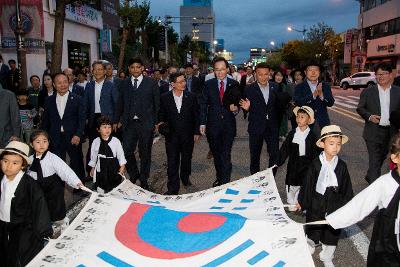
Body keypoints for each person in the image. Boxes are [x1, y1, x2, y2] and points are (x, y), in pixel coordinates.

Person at [325, 133, 400, 266]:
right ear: (394, 157)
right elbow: (359, 205)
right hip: (388, 243)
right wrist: (332, 220)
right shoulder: (385, 183)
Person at [298, 125, 353, 267]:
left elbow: (346, 187)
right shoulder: (316, 164)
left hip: (334, 205)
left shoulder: (341, 166)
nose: (335, 147)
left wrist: (348, 205)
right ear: (322, 144)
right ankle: (310, 244)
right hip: (316, 204)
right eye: (331, 143)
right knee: (313, 229)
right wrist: (302, 202)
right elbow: (308, 185)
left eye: (338, 144)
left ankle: (327, 255)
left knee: (332, 233)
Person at [0, 141, 52, 266]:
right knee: (6, 252)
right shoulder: (1, 180)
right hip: (3, 224)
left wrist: (43, 232)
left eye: (15, 163)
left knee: (26, 254)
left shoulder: (30, 184)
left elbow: (40, 206)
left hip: (24, 226)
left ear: (23, 165)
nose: (8, 166)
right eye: (5, 161)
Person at [115, 57, 159, 190]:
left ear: (142, 68)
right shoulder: (124, 83)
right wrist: (117, 120)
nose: (135, 69)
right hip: (129, 124)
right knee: (127, 150)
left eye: (137, 67)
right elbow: (120, 103)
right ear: (129, 69)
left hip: (146, 124)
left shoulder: (151, 83)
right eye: (132, 67)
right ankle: (134, 174)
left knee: (145, 152)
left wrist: (155, 122)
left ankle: (144, 179)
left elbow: (157, 104)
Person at [357, 62, 400, 184]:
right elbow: (360, 108)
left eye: (384, 74)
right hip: (373, 131)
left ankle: (370, 175)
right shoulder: (368, 91)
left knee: (382, 157)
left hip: (391, 132)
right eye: (378, 74)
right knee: (375, 160)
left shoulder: (398, 92)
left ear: (390, 75)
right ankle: (374, 188)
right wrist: (369, 116)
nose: (380, 77)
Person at [200, 57, 241, 187]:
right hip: (213, 125)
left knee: (225, 154)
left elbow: (238, 103)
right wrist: (202, 123)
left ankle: (224, 182)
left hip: (228, 125)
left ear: (227, 69)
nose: (220, 72)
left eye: (222, 69)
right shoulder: (208, 84)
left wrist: (236, 109)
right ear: (213, 71)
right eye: (217, 70)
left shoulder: (234, 84)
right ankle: (220, 177)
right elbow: (203, 104)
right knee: (217, 154)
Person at [158, 73, 200, 195]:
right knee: (172, 161)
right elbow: (161, 114)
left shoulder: (191, 96)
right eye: (180, 82)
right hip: (171, 135)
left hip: (188, 135)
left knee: (186, 159)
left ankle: (185, 177)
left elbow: (196, 115)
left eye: (184, 81)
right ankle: (172, 188)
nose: (184, 83)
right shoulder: (165, 97)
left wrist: (196, 131)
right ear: (173, 84)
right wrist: (160, 124)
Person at [28, 130, 83, 223]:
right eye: (38, 142)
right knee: (39, 206)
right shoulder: (29, 160)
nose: (42, 144)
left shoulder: (52, 158)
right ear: (31, 144)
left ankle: (59, 220)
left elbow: (65, 170)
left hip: (52, 186)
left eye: (45, 141)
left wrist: (75, 181)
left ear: (48, 143)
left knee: (55, 205)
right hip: (37, 187)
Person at [41, 73, 86, 180]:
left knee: (77, 162)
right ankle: (58, 188)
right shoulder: (49, 100)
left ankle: (80, 188)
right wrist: (43, 138)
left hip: (73, 137)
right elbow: (45, 121)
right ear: (54, 85)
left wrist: (78, 135)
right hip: (55, 137)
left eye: (65, 82)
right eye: (59, 83)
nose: (63, 85)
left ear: (68, 82)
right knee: (57, 164)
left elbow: (82, 120)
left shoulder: (77, 99)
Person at [240, 63, 281, 175]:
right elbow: (244, 106)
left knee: (274, 155)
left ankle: (270, 178)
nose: (263, 77)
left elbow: (279, 106)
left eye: (266, 74)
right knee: (255, 156)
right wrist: (247, 109)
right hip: (256, 127)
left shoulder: (275, 87)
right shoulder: (249, 89)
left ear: (270, 74)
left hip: (272, 127)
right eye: (260, 74)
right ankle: (255, 179)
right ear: (255, 75)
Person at [277, 106, 319, 211]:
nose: (298, 119)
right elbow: (285, 149)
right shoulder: (292, 134)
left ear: (309, 120)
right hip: (293, 165)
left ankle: (302, 202)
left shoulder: (312, 136)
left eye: (302, 117)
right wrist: (277, 162)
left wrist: (317, 166)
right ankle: (291, 201)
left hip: (306, 166)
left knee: (305, 184)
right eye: (298, 117)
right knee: (292, 184)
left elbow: (316, 153)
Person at [293, 63, 335, 133]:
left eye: (316, 70)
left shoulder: (325, 86)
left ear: (319, 72)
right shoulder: (299, 87)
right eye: (310, 70)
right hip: (305, 124)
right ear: (305, 72)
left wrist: (322, 96)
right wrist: (313, 96)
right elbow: (297, 102)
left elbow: (331, 103)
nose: (313, 72)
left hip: (323, 123)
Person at [88, 116, 126, 193]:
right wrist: (92, 168)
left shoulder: (116, 141)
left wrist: (122, 167)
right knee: (100, 190)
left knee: (114, 191)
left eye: (109, 127)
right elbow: (94, 157)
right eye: (104, 127)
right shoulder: (96, 142)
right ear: (98, 129)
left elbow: (121, 155)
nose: (107, 129)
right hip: (100, 170)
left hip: (113, 170)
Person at [273, 70, 291, 140]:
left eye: (281, 76)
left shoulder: (284, 86)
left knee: (283, 121)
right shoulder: (270, 85)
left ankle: (282, 133)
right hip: (273, 108)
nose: (279, 77)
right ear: (274, 76)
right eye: (277, 75)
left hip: (283, 108)